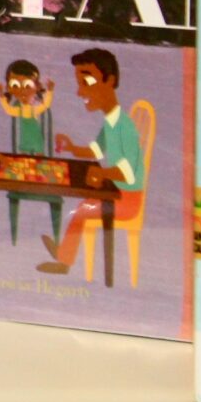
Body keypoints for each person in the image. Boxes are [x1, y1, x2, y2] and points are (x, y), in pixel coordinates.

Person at [42, 49, 147, 276]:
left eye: (87, 82)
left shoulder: (125, 126)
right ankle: (64, 253)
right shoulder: (110, 121)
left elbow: (128, 172)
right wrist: (71, 147)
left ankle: (64, 262)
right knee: (82, 204)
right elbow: (95, 150)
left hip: (127, 198)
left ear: (110, 81)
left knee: (82, 210)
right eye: (79, 84)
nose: (80, 92)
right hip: (115, 191)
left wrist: (102, 174)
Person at [0, 60, 61, 246]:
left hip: (36, 139)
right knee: (23, 158)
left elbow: (45, 105)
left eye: (27, 86)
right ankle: (25, 178)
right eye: (15, 86)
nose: (22, 92)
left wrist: (50, 91)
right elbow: (8, 109)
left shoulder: (35, 108)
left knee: (39, 158)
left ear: (36, 87)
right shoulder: (17, 108)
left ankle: (39, 178)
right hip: (24, 141)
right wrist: (1, 95)